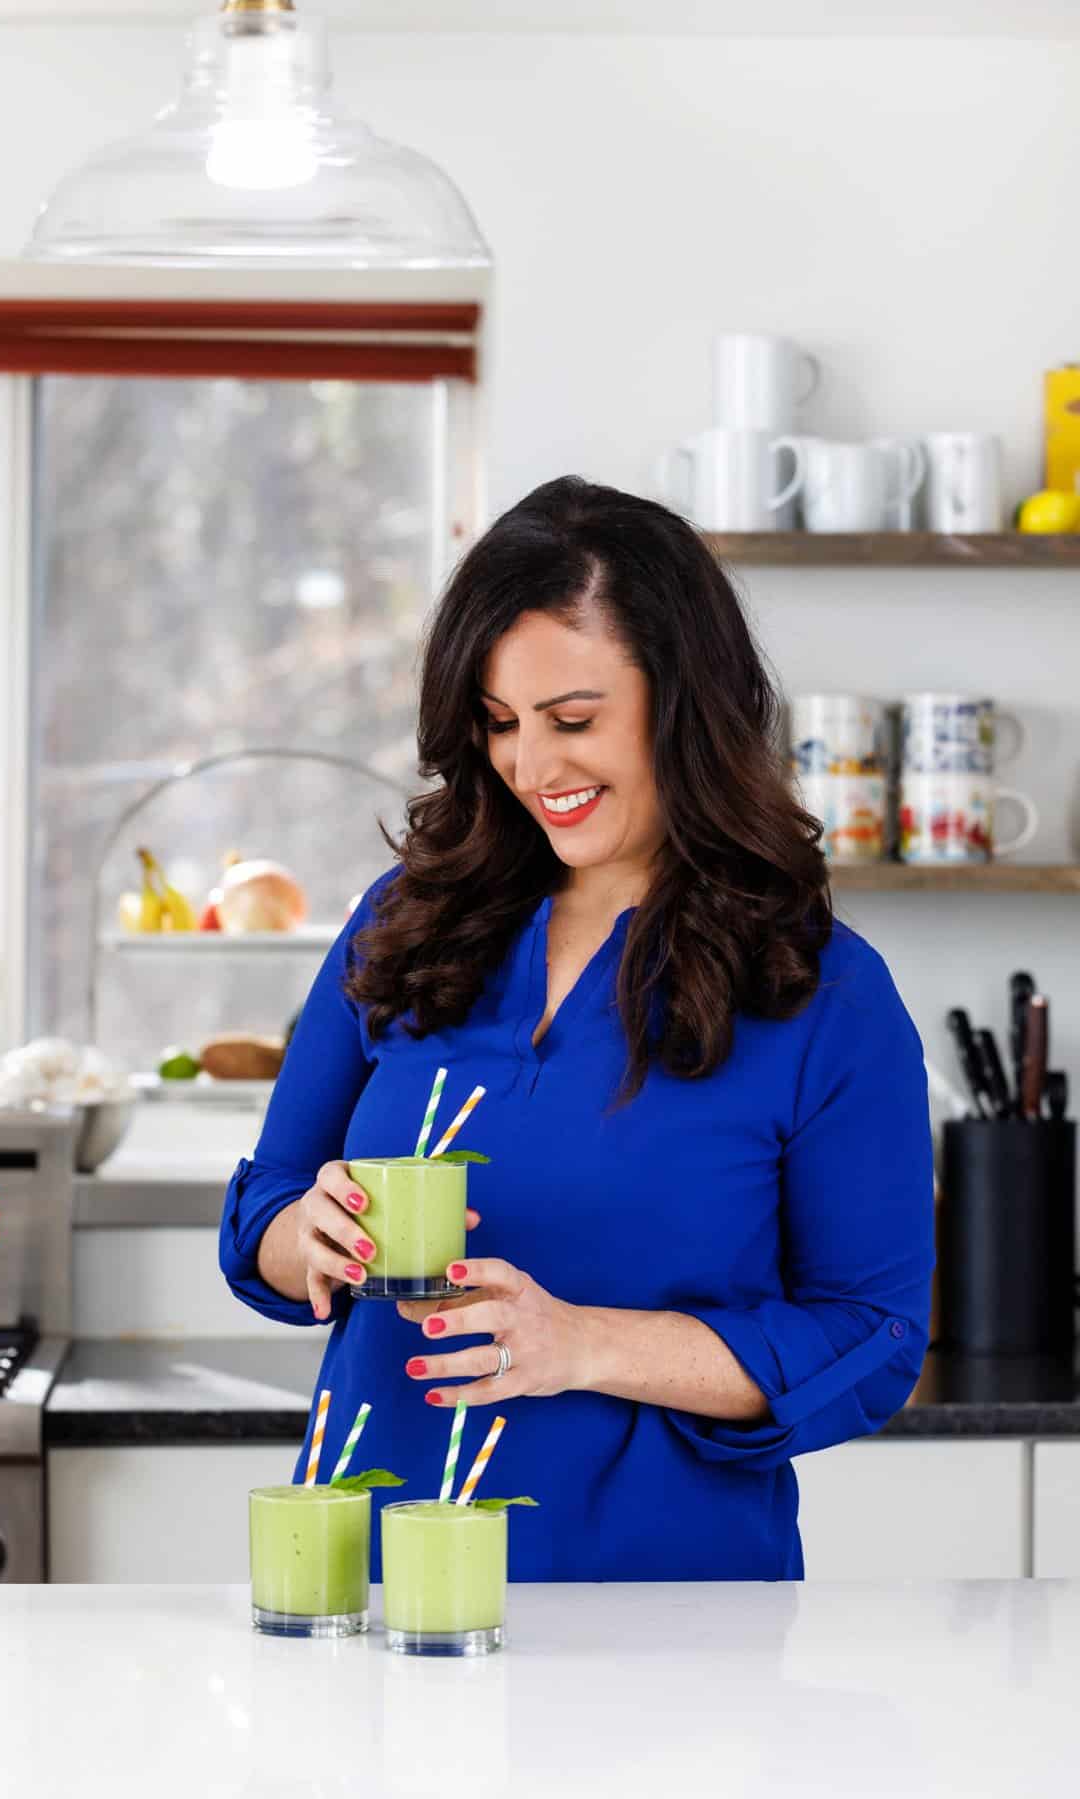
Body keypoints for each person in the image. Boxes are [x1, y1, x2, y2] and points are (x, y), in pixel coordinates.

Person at [220, 476, 935, 1581]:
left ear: (685, 698)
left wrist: (587, 1343)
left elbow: (874, 1338)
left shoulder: (821, 991)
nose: (533, 769)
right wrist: (298, 1234)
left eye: (575, 719)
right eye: (500, 723)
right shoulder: (404, 923)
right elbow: (266, 1203)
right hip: (372, 1598)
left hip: (670, 1625)